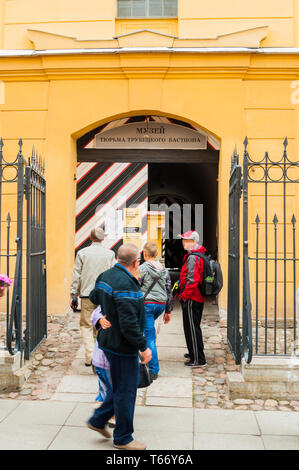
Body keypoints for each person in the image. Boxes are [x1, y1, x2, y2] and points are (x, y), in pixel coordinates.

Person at [87, 243, 152, 451]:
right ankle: (123, 437)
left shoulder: (105, 275)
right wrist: (143, 346)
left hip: (107, 342)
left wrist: (106, 313)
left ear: (117, 259)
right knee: (126, 391)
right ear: (136, 262)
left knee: (120, 387)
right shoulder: (128, 285)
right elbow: (129, 324)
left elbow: (94, 297)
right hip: (122, 347)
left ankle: (98, 420)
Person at [70, 227, 115, 366]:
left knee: (86, 325)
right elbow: (113, 275)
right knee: (101, 324)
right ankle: (100, 354)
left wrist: (73, 294)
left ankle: (90, 355)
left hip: (87, 295)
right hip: (104, 295)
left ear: (90, 238)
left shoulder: (82, 253)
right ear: (103, 239)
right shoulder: (110, 254)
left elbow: (77, 275)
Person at [138, 242, 173, 380]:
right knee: (149, 333)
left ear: (144, 254)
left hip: (147, 305)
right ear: (157, 254)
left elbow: (135, 285)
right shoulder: (164, 269)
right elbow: (169, 290)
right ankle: (146, 356)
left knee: (149, 337)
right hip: (160, 304)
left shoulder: (142, 268)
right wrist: (168, 310)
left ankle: (153, 370)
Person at [178, 230, 207, 368]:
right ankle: (193, 352)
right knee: (191, 327)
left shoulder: (193, 258)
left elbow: (192, 279)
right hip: (195, 297)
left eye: (186, 240)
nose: (183, 242)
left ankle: (198, 359)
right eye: (183, 239)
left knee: (192, 328)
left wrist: (184, 296)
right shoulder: (196, 255)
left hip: (192, 297)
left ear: (194, 241)